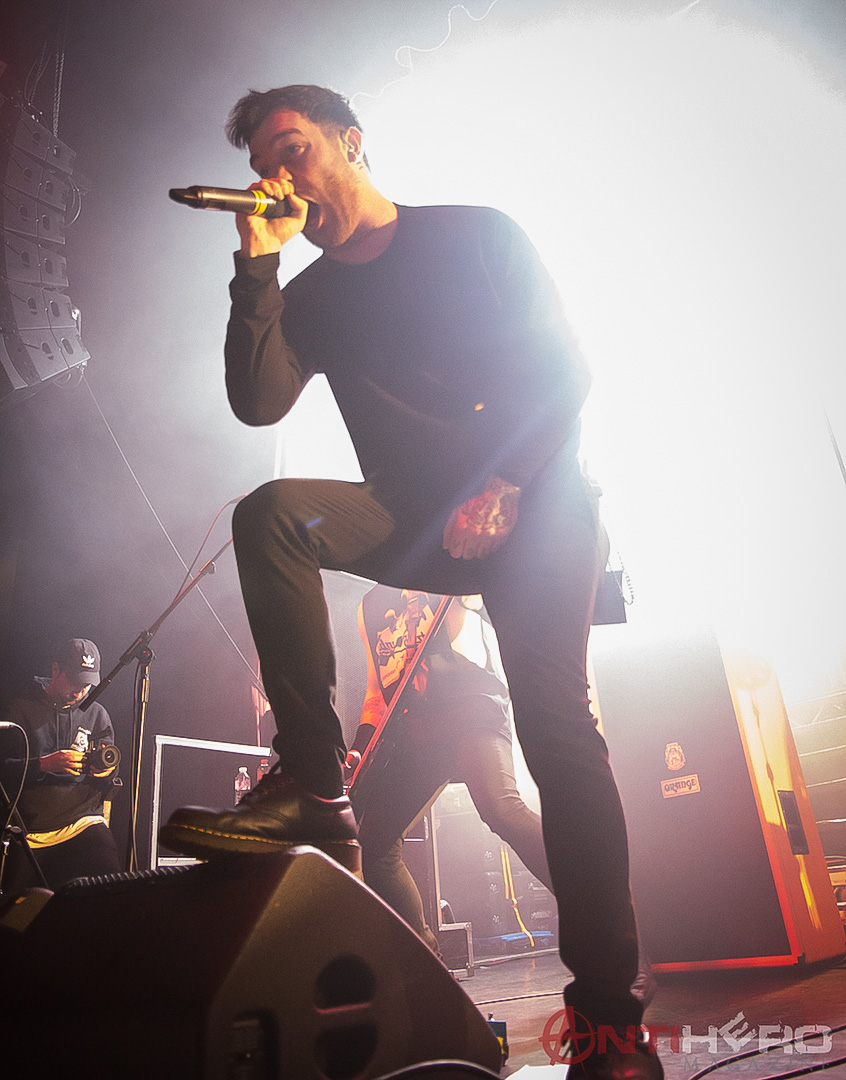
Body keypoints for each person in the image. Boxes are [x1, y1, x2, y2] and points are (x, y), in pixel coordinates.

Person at [160, 84, 662, 1079]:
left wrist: (505, 482)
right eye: (263, 163)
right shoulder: (311, 294)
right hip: (420, 512)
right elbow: (258, 402)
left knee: (556, 727)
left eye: (293, 149)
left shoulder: (474, 235)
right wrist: (256, 263)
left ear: (352, 142)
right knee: (273, 515)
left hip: (541, 496)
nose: (278, 175)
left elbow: (564, 371)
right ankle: (315, 783)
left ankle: (612, 1021)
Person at [349, 585, 553, 957]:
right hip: (417, 725)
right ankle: (426, 965)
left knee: (501, 808)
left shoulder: (440, 571)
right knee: (375, 846)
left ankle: (598, 909)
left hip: (470, 704)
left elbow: (482, 608)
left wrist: (463, 590)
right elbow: (377, 693)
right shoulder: (370, 607)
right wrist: (360, 747)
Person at [0, 638, 121, 893]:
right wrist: (44, 764)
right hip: (30, 830)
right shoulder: (19, 708)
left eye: (86, 685)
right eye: (74, 682)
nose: (80, 692)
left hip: (82, 821)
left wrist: (106, 771)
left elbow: (110, 768)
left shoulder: (97, 713)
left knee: (109, 891)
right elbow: (4, 770)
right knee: (20, 907)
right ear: (56, 670)